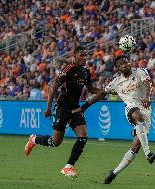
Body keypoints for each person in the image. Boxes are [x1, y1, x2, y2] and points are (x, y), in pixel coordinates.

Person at [78, 55, 155, 184]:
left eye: (126, 62)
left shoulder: (140, 72)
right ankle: (148, 153)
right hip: (131, 108)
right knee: (138, 116)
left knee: (135, 147)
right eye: (121, 64)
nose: (125, 65)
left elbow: (148, 84)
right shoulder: (116, 82)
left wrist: (147, 97)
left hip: (146, 110)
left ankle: (114, 173)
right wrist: (85, 106)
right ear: (118, 68)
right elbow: (101, 94)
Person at [24, 46, 102, 178]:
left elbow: (91, 89)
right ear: (75, 55)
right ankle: (34, 139)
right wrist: (48, 107)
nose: (85, 57)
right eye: (82, 55)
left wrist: (104, 90)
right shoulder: (68, 69)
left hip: (75, 108)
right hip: (62, 107)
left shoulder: (85, 72)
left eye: (86, 55)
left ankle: (68, 167)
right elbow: (53, 88)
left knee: (83, 136)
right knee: (56, 142)